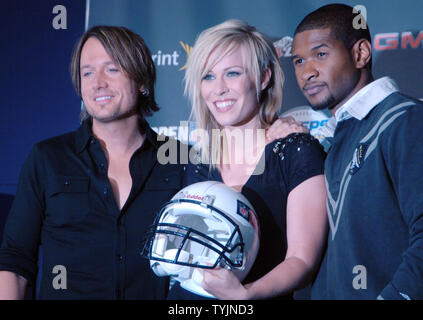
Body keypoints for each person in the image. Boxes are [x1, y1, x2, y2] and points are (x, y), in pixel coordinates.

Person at [0, 26, 186, 299]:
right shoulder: (47, 158)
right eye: (87, 72)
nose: (97, 82)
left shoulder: (181, 160)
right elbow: (15, 263)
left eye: (111, 69)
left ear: (142, 81)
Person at [167, 19, 328, 300]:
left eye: (232, 73)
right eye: (208, 76)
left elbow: (302, 261)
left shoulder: (296, 151)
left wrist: (244, 295)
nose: (218, 89)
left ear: (263, 78)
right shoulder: (196, 161)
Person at [291, 4, 423, 299]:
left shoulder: (404, 119)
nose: (307, 72)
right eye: (298, 61)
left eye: (320, 54)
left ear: (361, 53)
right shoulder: (326, 139)